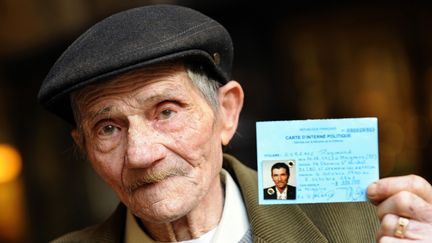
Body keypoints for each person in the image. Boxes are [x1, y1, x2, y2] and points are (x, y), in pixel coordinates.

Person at [37, 4, 432, 243]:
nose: (141, 154)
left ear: (227, 112)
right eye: (108, 128)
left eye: (167, 112)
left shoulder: (362, 229)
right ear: (85, 146)